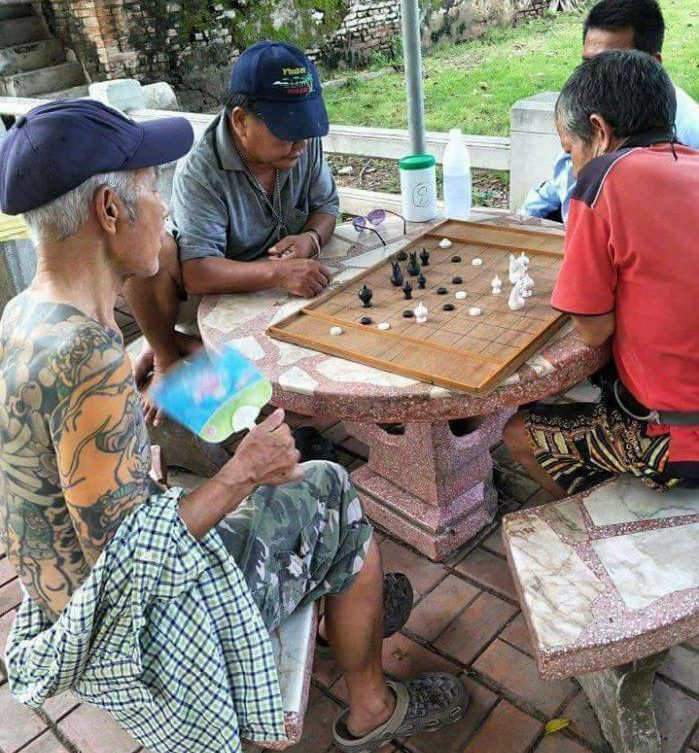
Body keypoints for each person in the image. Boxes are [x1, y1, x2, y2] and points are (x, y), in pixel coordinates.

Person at [0, 100, 467, 753]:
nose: (161, 209)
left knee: (267, 462)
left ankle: (334, 596)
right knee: (328, 487)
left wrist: (132, 396)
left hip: (64, 611)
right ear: (108, 211)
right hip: (135, 634)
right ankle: (372, 707)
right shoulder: (86, 358)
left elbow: (77, 484)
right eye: (148, 189)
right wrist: (245, 470)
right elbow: (130, 563)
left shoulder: (28, 315)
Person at [504, 50, 699, 500]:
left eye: (569, 150)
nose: (572, 166)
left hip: (676, 440)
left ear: (599, 130)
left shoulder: (601, 179)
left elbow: (592, 331)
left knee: (518, 433)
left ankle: (589, 511)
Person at [125, 41, 339, 424]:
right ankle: (165, 353)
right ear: (240, 121)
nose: (302, 143)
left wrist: (310, 239)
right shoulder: (200, 171)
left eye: (306, 127)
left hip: (270, 288)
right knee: (154, 249)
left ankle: (170, 343)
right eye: (287, 131)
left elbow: (327, 207)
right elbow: (196, 271)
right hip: (205, 290)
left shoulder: (304, 143)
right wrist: (278, 272)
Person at [520, 0, 699, 224]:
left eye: (610, 65)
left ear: (652, 64)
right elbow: (555, 187)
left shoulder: (690, 133)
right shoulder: (584, 106)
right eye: (588, 64)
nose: (591, 78)